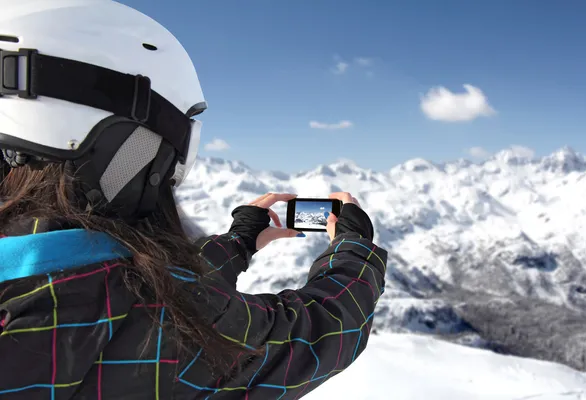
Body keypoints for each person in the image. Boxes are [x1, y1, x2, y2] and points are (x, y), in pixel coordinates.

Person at [0, 1, 388, 399]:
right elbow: (325, 331)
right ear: (135, 140)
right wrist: (353, 246)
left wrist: (238, 242)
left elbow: (141, 282)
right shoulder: (158, 324)